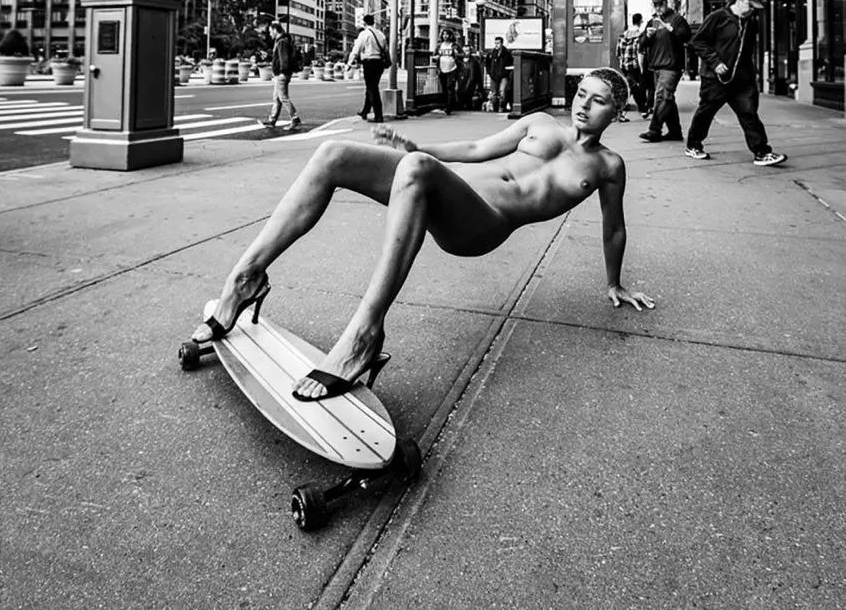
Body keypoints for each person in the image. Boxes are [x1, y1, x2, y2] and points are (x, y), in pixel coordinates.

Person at [189, 67, 654, 401]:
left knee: (414, 169)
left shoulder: (609, 166)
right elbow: (474, 148)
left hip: (482, 224)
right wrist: (418, 147)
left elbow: (614, 228)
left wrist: (614, 283)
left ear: (619, 111)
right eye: (581, 92)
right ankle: (246, 278)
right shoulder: (539, 124)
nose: (583, 103)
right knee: (333, 154)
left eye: (598, 100)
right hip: (450, 188)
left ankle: (364, 336)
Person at [685, 0, 787, 166]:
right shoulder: (717, 17)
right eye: (749, 5)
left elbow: (746, 52)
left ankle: (762, 152)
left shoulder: (749, 22)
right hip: (716, 79)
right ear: (739, 0)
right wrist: (715, 62)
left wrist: (750, 77)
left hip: (741, 80)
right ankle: (693, 145)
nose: (752, 10)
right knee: (706, 112)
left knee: (749, 113)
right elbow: (699, 42)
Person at [637, 0, 691, 143]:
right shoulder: (652, 22)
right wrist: (647, 36)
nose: (658, 7)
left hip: (671, 67)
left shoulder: (677, 19)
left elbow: (686, 36)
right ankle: (675, 132)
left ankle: (655, 130)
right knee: (668, 100)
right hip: (656, 67)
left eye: (660, 4)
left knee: (661, 97)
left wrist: (670, 29)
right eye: (655, 5)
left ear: (667, 3)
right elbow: (641, 44)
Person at [347, 14, 388, 124]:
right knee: (372, 87)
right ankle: (365, 111)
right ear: (373, 22)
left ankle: (378, 116)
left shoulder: (364, 34)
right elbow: (385, 49)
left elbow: (356, 49)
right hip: (379, 63)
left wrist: (349, 63)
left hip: (369, 63)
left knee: (372, 89)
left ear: (364, 23)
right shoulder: (381, 34)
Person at [264, 20, 301, 130]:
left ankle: (295, 118)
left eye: (271, 31)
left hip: (282, 74)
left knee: (283, 97)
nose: (270, 34)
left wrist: (282, 72)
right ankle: (272, 120)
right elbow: (280, 57)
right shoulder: (281, 41)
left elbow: (284, 59)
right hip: (280, 74)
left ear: (275, 30)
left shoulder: (282, 42)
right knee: (277, 98)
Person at [616, 13, 646, 119]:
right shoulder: (640, 36)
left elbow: (618, 54)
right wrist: (642, 68)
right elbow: (640, 53)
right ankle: (642, 110)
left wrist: (623, 63)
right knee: (633, 88)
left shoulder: (623, 35)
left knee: (632, 88)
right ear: (641, 22)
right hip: (635, 66)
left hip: (624, 66)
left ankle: (639, 111)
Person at [433, 28, 460, 115]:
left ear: (450, 35)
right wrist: (436, 58)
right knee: (444, 88)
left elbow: (462, 55)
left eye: (447, 34)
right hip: (442, 68)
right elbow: (434, 56)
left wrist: (456, 54)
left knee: (450, 87)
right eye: (444, 34)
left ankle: (449, 107)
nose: (445, 36)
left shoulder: (454, 45)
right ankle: (446, 105)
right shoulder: (439, 46)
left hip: (452, 68)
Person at [485, 36, 513, 112]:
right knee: (493, 92)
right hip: (493, 75)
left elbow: (511, 64)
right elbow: (487, 63)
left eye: (498, 43)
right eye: (495, 43)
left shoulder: (507, 53)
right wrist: (489, 72)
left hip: (503, 75)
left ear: (501, 43)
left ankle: (501, 106)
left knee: (502, 91)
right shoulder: (491, 53)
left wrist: (506, 72)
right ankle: (495, 106)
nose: (496, 45)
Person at [456, 45, 484, 111]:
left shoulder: (474, 62)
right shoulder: (459, 62)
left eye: (467, 51)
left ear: (470, 51)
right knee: (460, 99)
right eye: (464, 51)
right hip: (461, 82)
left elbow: (477, 75)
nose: (465, 52)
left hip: (470, 83)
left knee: (469, 101)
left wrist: (478, 86)